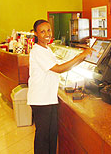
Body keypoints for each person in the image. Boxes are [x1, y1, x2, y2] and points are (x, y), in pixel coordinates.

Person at [27, 19, 92, 154]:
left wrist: (81, 58)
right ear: (36, 34)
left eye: (49, 30)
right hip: (41, 99)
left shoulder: (47, 49)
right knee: (43, 136)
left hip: (48, 98)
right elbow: (58, 69)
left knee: (51, 134)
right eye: (42, 31)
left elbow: (60, 66)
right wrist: (81, 55)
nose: (47, 34)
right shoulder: (37, 51)